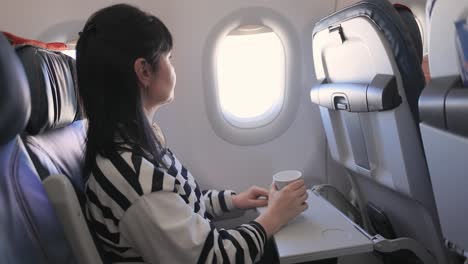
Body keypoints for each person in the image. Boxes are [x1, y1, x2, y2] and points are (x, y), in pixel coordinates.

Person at [76, 4, 308, 263]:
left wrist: (235, 201)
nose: (174, 69)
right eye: (169, 58)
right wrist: (273, 218)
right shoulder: (133, 178)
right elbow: (213, 258)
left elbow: (183, 207)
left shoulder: (136, 147)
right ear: (144, 71)